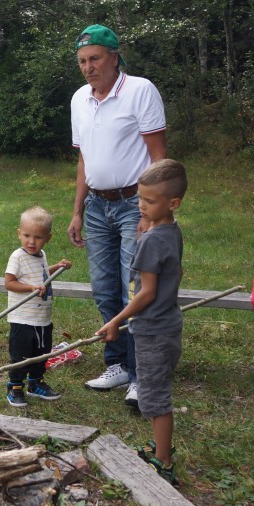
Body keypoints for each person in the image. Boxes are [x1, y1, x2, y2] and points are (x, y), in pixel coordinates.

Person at [66, 23, 168, 409]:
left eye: (94, 59)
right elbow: (84, 158)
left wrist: (151, 212)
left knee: (135, 289)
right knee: (104, 288)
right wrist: (77, 211)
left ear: (113, 57)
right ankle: (118, 364)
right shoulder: (79, 99)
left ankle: (143, 376)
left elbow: (159, 157)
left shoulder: (140, 91)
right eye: (81, 61)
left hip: (133, 205)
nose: (88, 67)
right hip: (97, 207)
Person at [95, 159, 186, 486]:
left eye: (148, 202)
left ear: (172, 203)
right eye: (139, 199)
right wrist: (146, 226)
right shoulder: (170, 231)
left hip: (152, 331)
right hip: (169, 326)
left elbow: (145, 293)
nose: (140, 206)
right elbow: (173, 274)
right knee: (154, 391)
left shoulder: (150, 242)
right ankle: (161, 450)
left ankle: (163, 462)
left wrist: (116, 321)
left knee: (154, 398)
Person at [4, 206, 73, 407]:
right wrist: (31, 288)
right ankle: (15, 386)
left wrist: (56, 267)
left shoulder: (40, 256)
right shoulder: (17, 257)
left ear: (48, 238)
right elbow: (9, 282)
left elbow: (40, 273)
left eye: (38, 237)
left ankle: (35, 383)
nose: (31, 242)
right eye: (26, 236)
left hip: (42, 318)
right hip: (23, 319)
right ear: (19, 234)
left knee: (42, 352)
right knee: (21, 355)